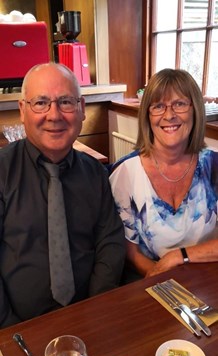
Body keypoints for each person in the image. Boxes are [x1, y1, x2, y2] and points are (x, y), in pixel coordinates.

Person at [0, 62, 125, 328]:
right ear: (22, 110)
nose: (54, 115)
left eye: (65, 102)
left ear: (80, 109)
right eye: (41, 102)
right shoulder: (2, 171)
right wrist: (10, 329)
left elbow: (109, 243)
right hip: (16, 327)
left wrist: (96, 309)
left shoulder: (95, 172)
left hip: (89, 315)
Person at [109, 68, 218, 282]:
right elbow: (130, 252)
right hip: (150, 282)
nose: (169, 115)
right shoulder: (124, 173)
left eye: (179, 103)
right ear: (147, 116)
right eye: (158, 106)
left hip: (208, 280)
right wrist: (164, 282)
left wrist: (179, 257)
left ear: (195, 109)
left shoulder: (214, 166)